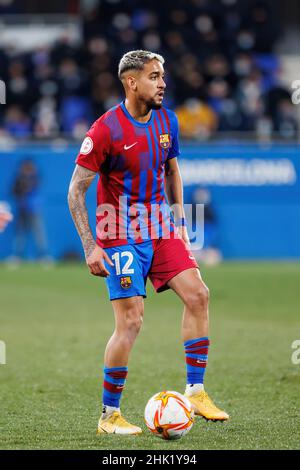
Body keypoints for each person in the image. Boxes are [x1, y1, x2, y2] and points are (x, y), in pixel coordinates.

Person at [68, 50, 229, 435]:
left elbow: (172, 170)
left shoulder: (167, 120)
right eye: (155, 77)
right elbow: (76, 191)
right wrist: (91, 246)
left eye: (162, 76)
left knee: (198, 295)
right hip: (119, 234)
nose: (163, 83)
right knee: (131, 322)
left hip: (160, 228)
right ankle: (109, 416)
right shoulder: (105, 129)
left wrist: (178, 219)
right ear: (131, 82)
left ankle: (195, 391)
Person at [11, 159, 50, 262]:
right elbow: (14, 192)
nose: (27, 170)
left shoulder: (35, 178)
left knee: (39, 233)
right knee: (21, 233)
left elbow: (35, 191)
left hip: (34, 210)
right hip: (22, 210)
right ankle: (17, 256)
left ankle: (43, 256)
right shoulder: (19, 179)